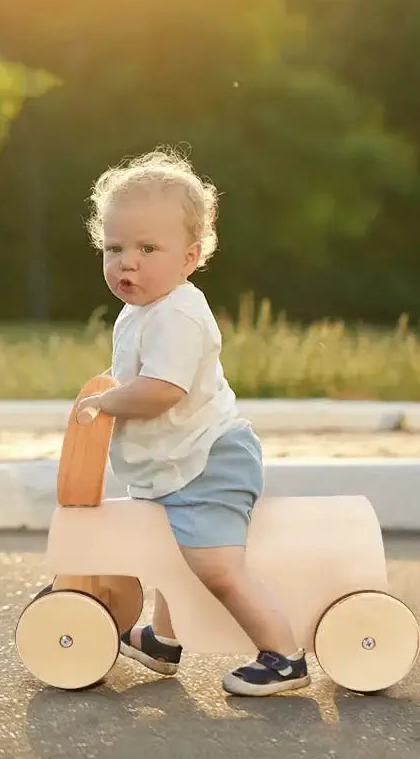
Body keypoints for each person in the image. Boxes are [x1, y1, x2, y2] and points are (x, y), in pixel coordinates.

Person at [75, 148, 310, 696]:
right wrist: (109, 383)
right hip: (178, 460)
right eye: (114, 248)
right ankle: (162, 638)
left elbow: (162, 389)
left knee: (215, 567)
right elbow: (137, 370)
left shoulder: (179, 312)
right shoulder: (142, 311)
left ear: (190, 256)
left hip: (208, 462)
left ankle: (282, 655)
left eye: (147, 248)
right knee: (168, 554)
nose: (127, 262)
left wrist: (105, 403)